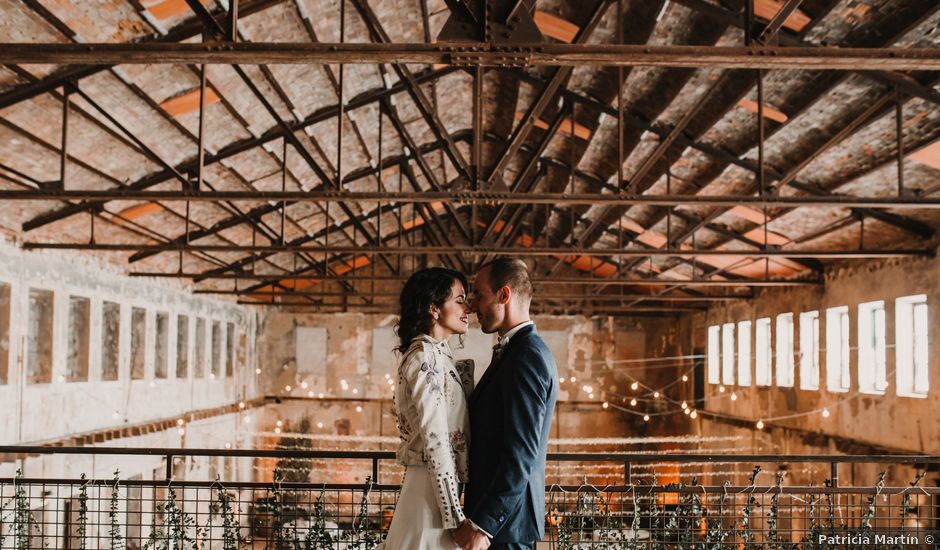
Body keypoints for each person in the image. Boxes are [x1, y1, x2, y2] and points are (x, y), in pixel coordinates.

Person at [453, 258, 559, 550]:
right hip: (503, 524)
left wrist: (484, 524)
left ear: (504, 295)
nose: (472, 306)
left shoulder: (526, 356)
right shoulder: (518, 351)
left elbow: (521, 452)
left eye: (479, 295)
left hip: (504, 527)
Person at [381, 267, 474, 550]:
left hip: (435, 486)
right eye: (459, 299)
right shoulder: (424, 357)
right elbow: (435, 440)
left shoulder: (437, 354)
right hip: (430, 491)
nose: (467, 307)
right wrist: (454, 515)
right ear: (433, 308)